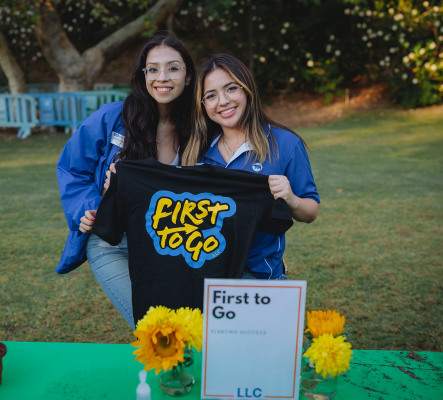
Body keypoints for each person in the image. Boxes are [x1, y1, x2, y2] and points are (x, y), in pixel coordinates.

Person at [56, 35, 195, 329]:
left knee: (185, 324)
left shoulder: (199, 129)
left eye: (173, 68)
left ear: (189, 76)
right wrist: (91, 207)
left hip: (168, 245)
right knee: (157, 330)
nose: (162, 78)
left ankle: (183, 375)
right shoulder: (112, 117)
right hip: (113, 242)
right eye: (153, 69)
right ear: (143, 75)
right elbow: (72, 169)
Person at [181, 54, 320, 280]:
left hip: (260, 278)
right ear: (203, 104)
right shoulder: (195, 150)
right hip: (202, 277)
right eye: (211, 95)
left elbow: (310, 212)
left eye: (231, 88)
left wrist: (291, 198)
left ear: (247, 89)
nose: (223, 101)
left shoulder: (285, 144)